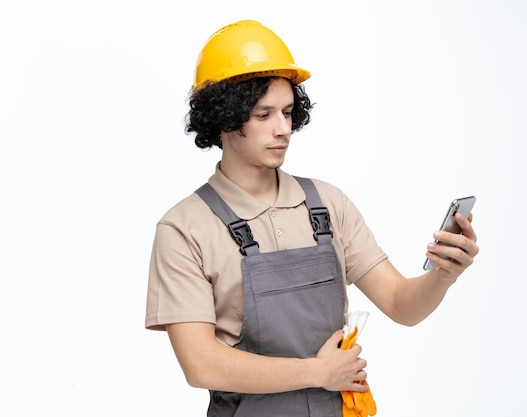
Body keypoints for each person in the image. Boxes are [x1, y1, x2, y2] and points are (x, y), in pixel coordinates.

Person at [145, 19, 479, 417]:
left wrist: (443, 273)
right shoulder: (185, 228)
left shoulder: (327, 204)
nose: (283, 128)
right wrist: (318, 373)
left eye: (287, 112)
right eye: (263, 114)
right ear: (224, 117)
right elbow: (200, 365)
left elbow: (400, 304)